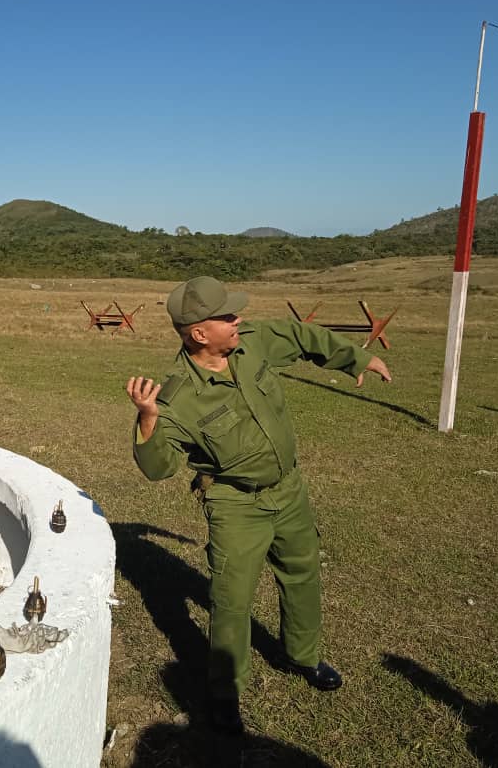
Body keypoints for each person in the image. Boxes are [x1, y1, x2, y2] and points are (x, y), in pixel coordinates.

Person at [126, 276, 392, 735]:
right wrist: (148, 421)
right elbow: (158, 467)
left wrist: (357, 357)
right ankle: (226, 692)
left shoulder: (251, 344)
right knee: (231, 601)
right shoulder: (177, 397)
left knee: (302, 572)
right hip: (236, 504)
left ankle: (303, 657)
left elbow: (302, 336)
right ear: (199, 334)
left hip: (289, 491)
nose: (239, 320)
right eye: (227, 316)